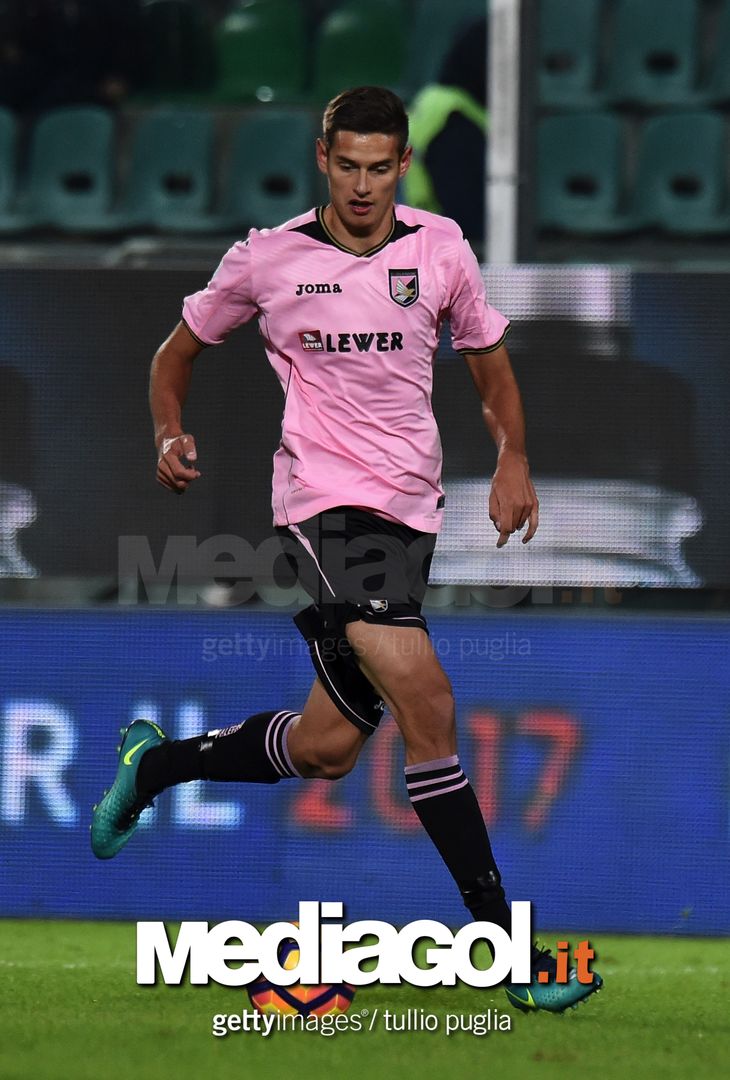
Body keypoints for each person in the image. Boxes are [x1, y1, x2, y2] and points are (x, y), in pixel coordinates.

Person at [91, 86, 602, 1014]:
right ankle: (503, 949)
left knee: (327, 748)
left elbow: (490, 369)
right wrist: (168, 431)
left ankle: (153, 766)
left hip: (411, 514)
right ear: (322, 157)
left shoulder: (439, 247)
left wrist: (514, 457)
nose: (362, 185)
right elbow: (175, 354)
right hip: (322, 508)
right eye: (347, 165)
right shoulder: (267, 258)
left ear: (401, 166)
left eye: (381, 167)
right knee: (430, 704)